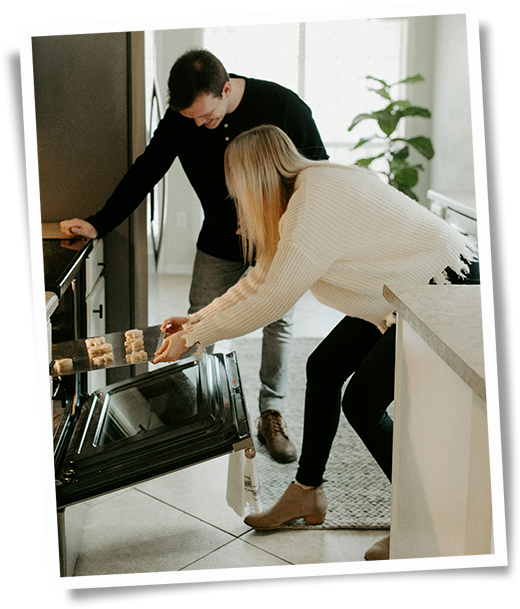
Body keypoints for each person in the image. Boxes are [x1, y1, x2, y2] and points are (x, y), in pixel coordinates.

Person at [153, 124, 479, 558]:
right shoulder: (305, 191)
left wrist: (194, 337)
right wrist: (196, 320)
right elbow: (261, 278)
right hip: (401, 290)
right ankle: (307, 491)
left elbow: (270, 299)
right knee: (323, 367)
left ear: (254, 179)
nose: (234, 197)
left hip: (442, 285)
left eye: (235, 186)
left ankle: (420, 519)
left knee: (362, 403)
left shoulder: (312, 206)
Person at [60, 48, 328, 464]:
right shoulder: (184, 118)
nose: (201, 125)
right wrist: (99, 222)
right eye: (192, 120)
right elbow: (146, 170)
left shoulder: (282, 105)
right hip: (218, 240)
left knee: (279, 320)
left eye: (207, 116)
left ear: (226, 88)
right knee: (198, 318)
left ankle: (269, 412)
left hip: (277, 238)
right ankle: (202, 411)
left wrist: (278, 217)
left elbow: (317, 171)